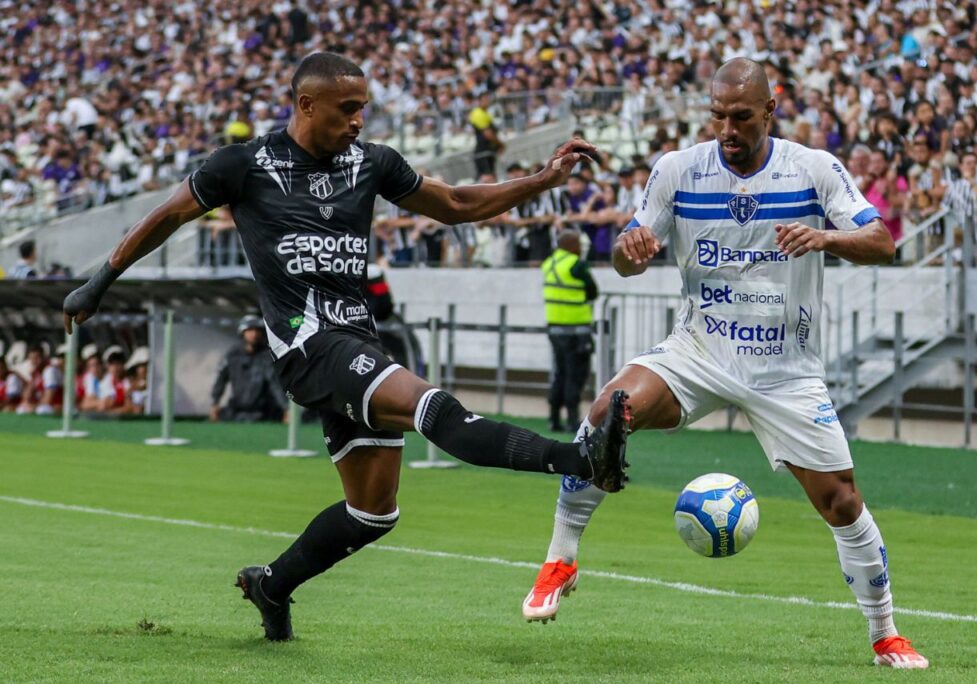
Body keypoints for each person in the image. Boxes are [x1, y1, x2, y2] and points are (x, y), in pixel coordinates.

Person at [61, 52, 630, 642]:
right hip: (308, 347)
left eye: (364, 108)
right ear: (307, 104)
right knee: (432, 407)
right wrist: (98, 282)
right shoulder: (243, 164)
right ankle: (579, 461)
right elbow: (167, 215)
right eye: (348, 108)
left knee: (373, 510)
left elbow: (457, 204)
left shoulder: (372, 163)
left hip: (357, 341)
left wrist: (542, 180)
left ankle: (271, 585)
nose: (359, 120)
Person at [520, 59, 929, 670]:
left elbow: (882, 243)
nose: (727, 127)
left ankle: (885, 632)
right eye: (717, 115)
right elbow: (629, 258)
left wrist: (827, 239)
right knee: (608, 410)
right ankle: (561, 557)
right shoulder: (678, 170)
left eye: (741, 116)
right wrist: (630, 251)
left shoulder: (813, 168)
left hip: (785, 367)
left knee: (842, 502)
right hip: (700, 349)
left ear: (770, 110)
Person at [541, 230, 598, 433]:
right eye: (577, 244)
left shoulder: (549, 263)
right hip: (576, 330)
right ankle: (573, 421)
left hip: (555, 329)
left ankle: (554, 419)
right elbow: (593, 291)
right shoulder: (576, 264)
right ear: (570, 245)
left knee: (560, 373)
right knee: (576, 376)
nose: (580, 248)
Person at [210, 316, 289, 423]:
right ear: (242, 332)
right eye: (250, 330)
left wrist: (286, 409)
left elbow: (276, 384)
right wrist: (215, 403)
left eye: (257, 330)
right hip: (236, 411)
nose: (254, 334)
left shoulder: (268, 357)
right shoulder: (232, 356)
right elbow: (220, 379)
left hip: (265, 413)